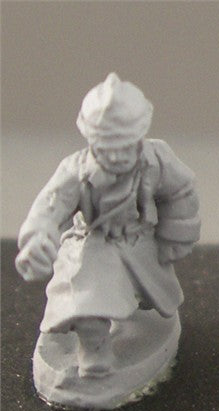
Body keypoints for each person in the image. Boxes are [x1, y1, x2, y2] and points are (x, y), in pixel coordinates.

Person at [16, 73, 200, 378]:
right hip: (93, 246)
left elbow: (180, 192)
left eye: (124, 147)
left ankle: (132, 307)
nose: (116, 156)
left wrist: (175, 236)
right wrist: (39, 241)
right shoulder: (75, 171)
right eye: (106, 147)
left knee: (151, 297)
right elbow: (49, 209)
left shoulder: (156, 160)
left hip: (138, 242)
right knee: (86, 302)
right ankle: (94, 349)